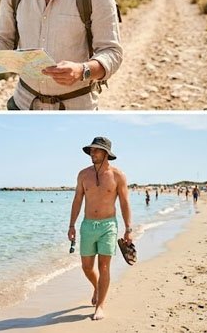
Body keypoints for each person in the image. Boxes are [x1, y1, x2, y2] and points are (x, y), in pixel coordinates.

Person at [68, 136, 132, 321]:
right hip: (87, 225)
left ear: (106, 153)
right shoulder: (83, 175)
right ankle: (97, 287)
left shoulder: (118, 175)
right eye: (91, 150)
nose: (92, 153)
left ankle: (100, 306)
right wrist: (71, 225)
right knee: (87, 267)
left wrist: (128, 228)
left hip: (108, 226)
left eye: (96, 150)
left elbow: (125, 202)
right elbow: (78, 200)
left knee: (104, 266)